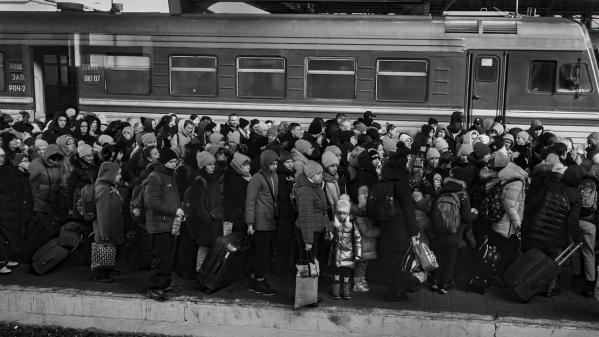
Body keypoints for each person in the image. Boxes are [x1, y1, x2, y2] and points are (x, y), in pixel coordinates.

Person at [525, 165, 583, 297]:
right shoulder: (576, 195)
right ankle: (549, 289)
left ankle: (526, 283)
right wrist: (576, 237)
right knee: (553, 262)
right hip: (557, 236)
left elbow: (534, 203)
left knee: (534, 259)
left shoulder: (552, 185)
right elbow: (573, 221)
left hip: (538, 228)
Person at [376, 151, 418, 301]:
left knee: (389, 259)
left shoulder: (384, 180)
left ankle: (389, 289)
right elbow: (408, 211)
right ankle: (396, 291)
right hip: (400, 228)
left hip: (386, 226)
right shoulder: (402, 183)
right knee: (400, 261)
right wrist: (414, 232)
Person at [144, 148, 185, 301]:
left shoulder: (169, 176)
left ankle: (164, 284)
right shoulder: (155, 177)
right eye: (172, 162)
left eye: (176, 161)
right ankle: (154, 287)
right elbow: (152, 202)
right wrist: (175, 210)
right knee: (160, 257)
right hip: (159, 225)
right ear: (164, 162)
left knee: (168, 256)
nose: (175, 164)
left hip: (169, 223)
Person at [430, 167, 477, 295]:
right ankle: (445, 284)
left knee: (438, 255)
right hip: (454, 233)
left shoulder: (441, 191)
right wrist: (474, 213)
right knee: (450, 258)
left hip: (439, 231)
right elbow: (466, 217)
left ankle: (434, 281)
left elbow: (432, 210)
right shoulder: (463, 195)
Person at [245, 150, 279, 296]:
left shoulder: (275, 176)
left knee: (263, 252)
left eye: (276, 163)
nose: (275, 166)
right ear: (265, 163)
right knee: (261, 253)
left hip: (270, 219)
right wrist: (250, 223)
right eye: (272, 164)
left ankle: (255, 280)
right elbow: (250, 201)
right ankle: (259, 281)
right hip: (260, 221)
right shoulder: (257, 178)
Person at [184, 151, 222, 278]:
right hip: (205, 222)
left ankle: (206, 273)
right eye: (209, 164)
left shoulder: (213, 179)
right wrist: (208, 220)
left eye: (213, 164)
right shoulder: (199, 182)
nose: (212, 166)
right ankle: (200, 273)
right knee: (204, 247)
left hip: (213, 219)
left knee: (209, 248)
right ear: (203, 166)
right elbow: (198, 207)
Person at [0, 153, 33, 274]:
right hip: (6, 208)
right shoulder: (12, 174)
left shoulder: (8, 173)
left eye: (2, 156)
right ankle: (2, 261)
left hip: (11, 208)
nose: (1, 158)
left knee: (12, 236)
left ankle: (7, 258)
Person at [93, 161, 125, 283]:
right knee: (103, 248)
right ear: (109, 175)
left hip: (111, 226)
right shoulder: (104, 190)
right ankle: (102, 275)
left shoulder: (110, 187)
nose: (120, 176)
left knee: (109, 249)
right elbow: (102, 212)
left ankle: (108, 270)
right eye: (117, 174)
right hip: (105, 228)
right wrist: (104, 232)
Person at [295, 160, 328, 272]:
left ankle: (312, 284)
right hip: (309, 231)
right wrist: (308, 241)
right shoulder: (306, 190)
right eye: (318, 174)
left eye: (321, 173)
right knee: (307, 262)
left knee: (312, 261)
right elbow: (306, 217)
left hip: (316, 230)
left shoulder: (315, 187)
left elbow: (323, 209)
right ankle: (306, 287)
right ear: (310, 175)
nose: (321, 176)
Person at [330, 197, 362, 300]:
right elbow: (329, 238)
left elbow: (357, 239)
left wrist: (358, 254)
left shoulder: (352, 226)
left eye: (344, 213)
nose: (341, 216)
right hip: (337, 256)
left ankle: (346, 293)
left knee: (347, 275)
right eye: (339, 213)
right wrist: (330, 237)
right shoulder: (334, 225)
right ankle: (336, 293)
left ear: (347, 214)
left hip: (348, 256)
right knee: (336, 275)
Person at [351, 186, 379, 292]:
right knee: (360, 266)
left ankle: (361, 281)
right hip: (362, 245)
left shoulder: (366, 213)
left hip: (367, 246)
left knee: (363, 266)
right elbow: (366, 231)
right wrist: (380, 232)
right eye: (363, 195)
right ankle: (357, 284)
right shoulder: (359, 215)